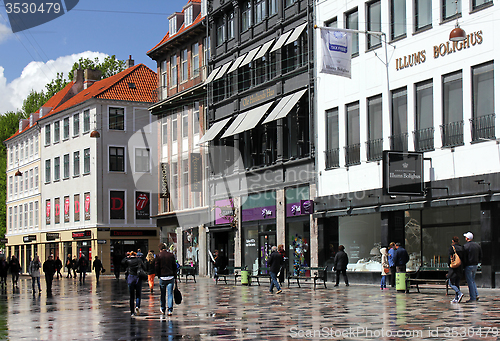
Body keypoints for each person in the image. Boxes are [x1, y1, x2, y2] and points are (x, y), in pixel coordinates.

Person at [155, 243, 177, 316]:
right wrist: (175, 276)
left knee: (163, 294)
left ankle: (163, 308)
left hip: (162, 276)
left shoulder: (158, 256)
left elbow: (156, 267)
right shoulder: (171, 255)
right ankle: (170, 310)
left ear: (160, 249)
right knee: (170, 294)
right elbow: (174, 266)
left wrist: (158, 275)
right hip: (170, 276)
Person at [122, 251, 146, 317]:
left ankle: (132, 312)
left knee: (131, 296)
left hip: (131, 278)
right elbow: (144, 267)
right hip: (138, 278)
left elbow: (122, 262)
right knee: (138, 294)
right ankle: (137, 306)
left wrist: (127, 257)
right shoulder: (139, 260)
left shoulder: (128, 261)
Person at [463, 232, 482, 303]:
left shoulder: (465, 246)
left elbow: (464, 257)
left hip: (468, 265)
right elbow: (481, 255)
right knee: (472, 280)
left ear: (467, 238)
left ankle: (473, 297)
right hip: (475, 265)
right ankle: (476, 294)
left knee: (470, 281)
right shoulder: (477, 246)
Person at [448, 236, 466, 303]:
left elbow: (450, 258)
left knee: (451, 283)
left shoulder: (452, 248)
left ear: (453, 241)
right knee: (457, 283)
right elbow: (464, 258)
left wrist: (449, 265)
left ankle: (459, 293)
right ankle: (456, 298)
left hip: (453, 268)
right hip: (460, 268)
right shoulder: (462, 248)